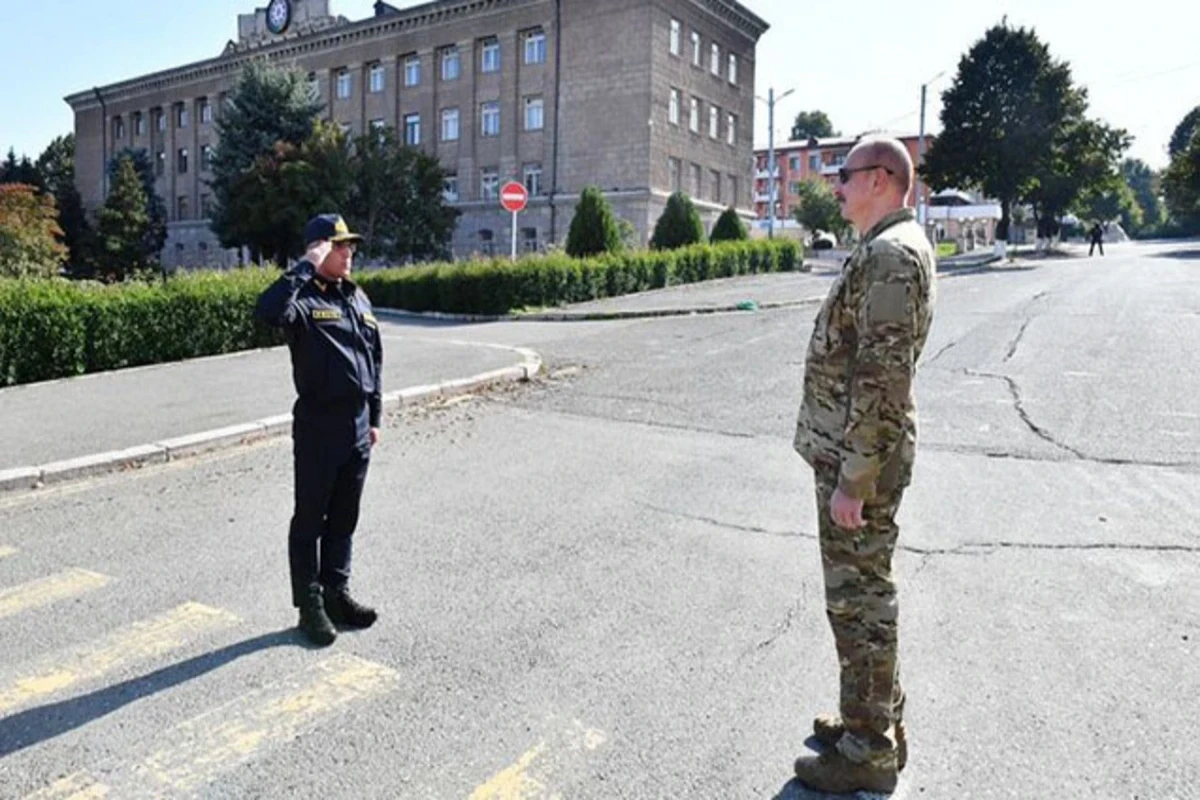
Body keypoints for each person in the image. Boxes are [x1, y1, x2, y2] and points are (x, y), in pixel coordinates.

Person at [791, 137, 936, 793]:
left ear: (880, 179)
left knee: (860, 606)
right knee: (863, 599)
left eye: (844, 177)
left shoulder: (891, 256)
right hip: (858, 456)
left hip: (861, 467)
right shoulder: (889, 247)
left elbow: (882, 380)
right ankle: (873, 722)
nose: (837, 187)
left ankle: (867, 751)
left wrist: (853, 482)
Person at [255, 214, 383, 647]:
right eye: (339, 245)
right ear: (318, 249)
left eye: (350, 246)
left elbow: (374, 358)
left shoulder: (356, 297)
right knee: (310, 518)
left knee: (345, 517)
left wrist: (376, 418)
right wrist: (305, 265)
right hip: (318, 426)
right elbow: (267, 312)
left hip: (358, 426)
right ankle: (309, 605)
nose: (349, 252)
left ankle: (336, 593)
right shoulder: (301, 298)